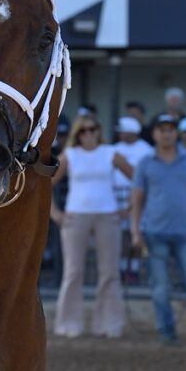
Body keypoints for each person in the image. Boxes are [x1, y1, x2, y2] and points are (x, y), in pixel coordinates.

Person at [50, 114, 134, 338]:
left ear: (99, 131)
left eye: (92, 129)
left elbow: (138, 178)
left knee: (109, 272)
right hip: (76, 216)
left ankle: (110, 323)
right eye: (83, 131)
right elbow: (45, 183)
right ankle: (68, 323)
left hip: (107, 215)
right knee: (73, 272)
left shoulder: (110, 153)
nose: (88, 134)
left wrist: (130, 208)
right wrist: (55, 213)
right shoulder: (70, 155)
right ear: (77, 134)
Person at [131, 114, 186, 347]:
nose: (166, 134)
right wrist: (136, 232)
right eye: (161, 129)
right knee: (159, 289)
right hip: (154, 233)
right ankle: (167, 332)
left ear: (176, 133)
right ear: (155, 133)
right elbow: (137, 199)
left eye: (170, 129)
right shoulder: (146, 163)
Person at [113, 116, 153, 283]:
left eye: (123, 130)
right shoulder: (114, 148)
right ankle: (122, 268)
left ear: (131, 131)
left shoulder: (146, 150)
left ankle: (134, 269)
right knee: (121, 236)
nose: (120, 133)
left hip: (139, 200)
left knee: (136, 234)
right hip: (116, 198)